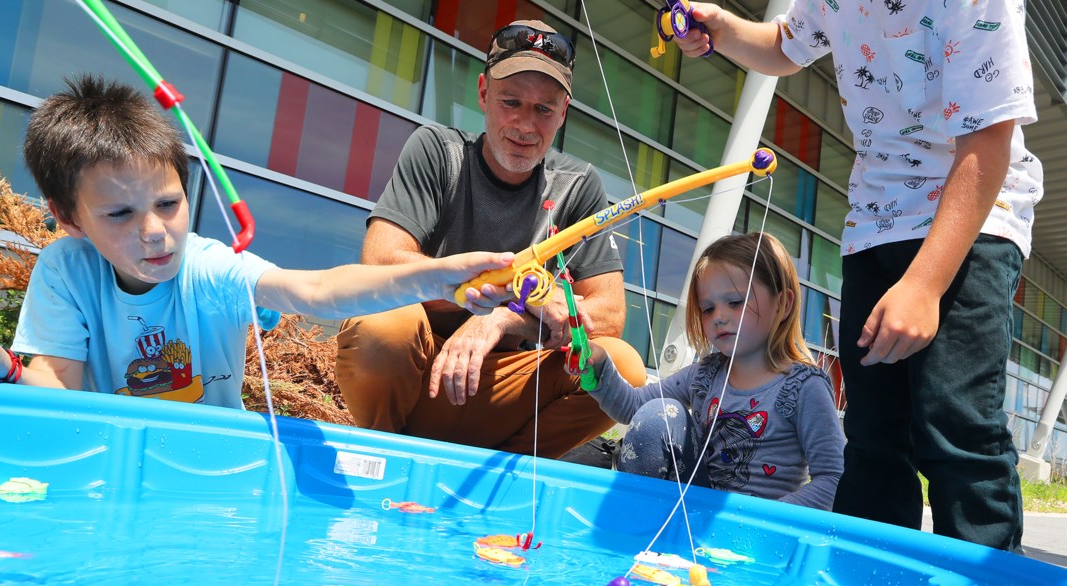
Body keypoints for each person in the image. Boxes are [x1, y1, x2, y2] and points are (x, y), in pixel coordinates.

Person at [0, 75, 515, 407]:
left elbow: (314, 290)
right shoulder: (66, 269)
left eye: (169, 203)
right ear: (68, 219)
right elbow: (57, 388)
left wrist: (433, 277)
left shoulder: (206, 266)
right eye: (119, 214)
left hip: (215, 464)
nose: (155, 232)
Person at [677, 3, 1041, 549]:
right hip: (874, 225)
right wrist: (726, 31)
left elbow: (988, 140)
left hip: (973, 222)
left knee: (955, 425)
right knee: (873, 433)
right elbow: (784, 44)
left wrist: (924, 284)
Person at [336, 19, 647, 459]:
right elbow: (382, 265)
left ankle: (505, 477)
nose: (525, 124)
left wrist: (507, 318)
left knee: (620, 365)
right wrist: (511, 287)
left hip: (505, 385)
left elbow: (609, 313)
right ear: (483, 93)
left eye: (544, 109)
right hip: (420, 372)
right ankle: (383, 456)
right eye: (511, 102)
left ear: (563, 112)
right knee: (382, 327)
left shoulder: (578, 185)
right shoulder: (436, 151)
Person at [573, 233, 843, 509]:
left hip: (758, 535)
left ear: (782, 304)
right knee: (659, 417)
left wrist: (765, 519)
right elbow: (633, 406)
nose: (719, 317)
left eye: (735, 302)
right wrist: (599, 366)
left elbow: (832, 478)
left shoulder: (805, 386)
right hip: (696, 520)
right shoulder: (706, 374)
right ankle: (637, 525)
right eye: (708, 308)